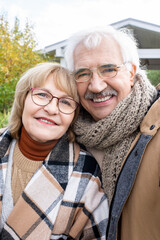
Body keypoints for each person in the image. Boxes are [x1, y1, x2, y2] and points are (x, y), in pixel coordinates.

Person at [64, 26, 160, 240]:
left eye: (108, 69)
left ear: (132, 73)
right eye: (83, 74)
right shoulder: (63, 133)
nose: (96, 86)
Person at [0, 62, 109, 239]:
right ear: (23, 99)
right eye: (42, 95)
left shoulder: (87, 175)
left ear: (74, 115)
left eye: (66, 102)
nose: (51, 109)